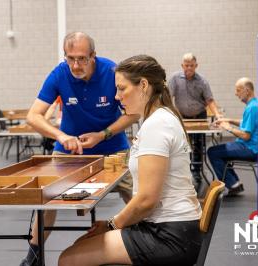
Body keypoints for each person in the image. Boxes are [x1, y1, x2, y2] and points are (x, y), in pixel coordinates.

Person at [58, 55, 202, 266]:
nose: (117, 96)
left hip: (168, 235)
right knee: (80, 246)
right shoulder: (160, 118)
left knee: (68, 259)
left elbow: (146, 200)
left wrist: (110, 225)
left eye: (122, 88)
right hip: (171, 228)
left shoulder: (157, 124)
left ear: (143, 85)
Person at [20, 32, 139, 266]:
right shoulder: (59, 74)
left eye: (82, 59)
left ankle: (143, 241)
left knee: (134, 194)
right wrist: (62, 136)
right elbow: (33, 116)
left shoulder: (113, 72)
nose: (75, 65)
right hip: (68, 150)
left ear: (93, 56)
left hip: (113, 148)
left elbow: (134, 113)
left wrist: (102, 135)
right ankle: (32, 257)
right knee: (45, 200)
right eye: (70, 58)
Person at [168, 53, 222, 188]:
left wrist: (218, 115)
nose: (189, 68)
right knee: (182, 145)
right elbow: (169, 97)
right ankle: (183, 171)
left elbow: (210, 100)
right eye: (186, 65)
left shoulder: (202, 81)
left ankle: (197, 172)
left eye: (192, 65)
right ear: (182, 66)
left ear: (196, 66)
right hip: (182, 117)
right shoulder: (175, 79)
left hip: (199, 116)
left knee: (198, 145)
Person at [207, 77, 258, 196]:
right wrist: (228, 120)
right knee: (220, 150)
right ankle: (234, 183)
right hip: (250, 146)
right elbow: (245, 123)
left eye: (238, 90)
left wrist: (228, 127)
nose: (236, 93)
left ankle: (233, 184)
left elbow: (245, 135)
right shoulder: (255, 104)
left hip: (251, 149)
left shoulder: (252, 108)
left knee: (213, 152)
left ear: (247, 91)